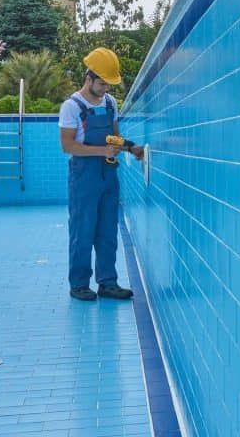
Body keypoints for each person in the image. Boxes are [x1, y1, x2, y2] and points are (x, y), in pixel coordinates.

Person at [59, 47, 143, 301]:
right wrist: (101, 150)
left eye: (108, 84)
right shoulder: (71, 107)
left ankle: (107, 282)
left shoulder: (110, 103)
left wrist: (129, 147)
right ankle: (79, 284)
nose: (106, 88)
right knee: (83, 230)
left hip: (108, 174)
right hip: (84, 175)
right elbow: (68, 146)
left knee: (107, 231)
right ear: (89, 78)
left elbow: (112, 137)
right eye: (102, 83)